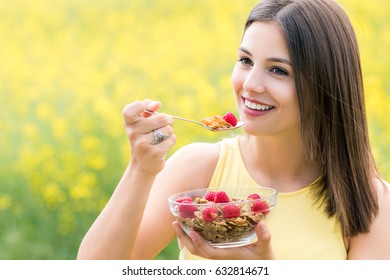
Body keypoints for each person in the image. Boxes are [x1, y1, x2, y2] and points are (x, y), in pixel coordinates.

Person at [77, 0, 390, 260]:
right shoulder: (199, 169)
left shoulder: (369, 201)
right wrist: (140, 168)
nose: (250, 85)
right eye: (245, 60)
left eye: (278, 70)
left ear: (325, 84)